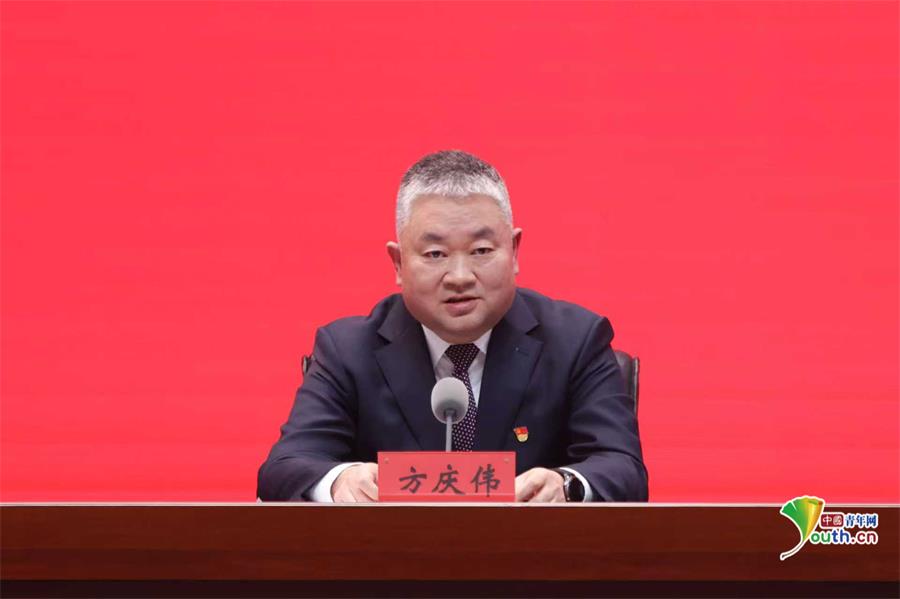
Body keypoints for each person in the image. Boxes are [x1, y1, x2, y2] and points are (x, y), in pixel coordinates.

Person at [257, 150, 648, 503]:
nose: (460, 276)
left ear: (514, 251)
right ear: (398, 263)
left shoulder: (575, 340)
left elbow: (622, 467)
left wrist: (566, 485)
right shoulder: (348, 350)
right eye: (435, 254)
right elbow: (285, 467)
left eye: (481, 251)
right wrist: (340, 480)